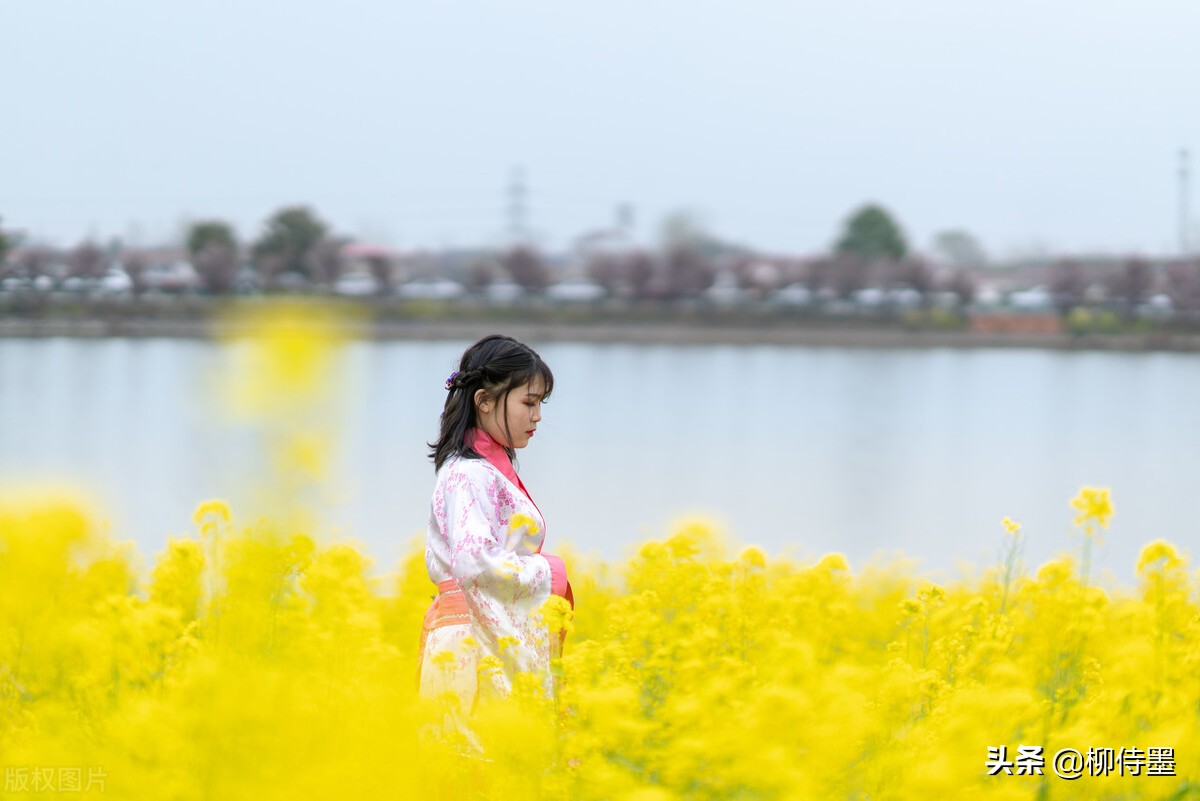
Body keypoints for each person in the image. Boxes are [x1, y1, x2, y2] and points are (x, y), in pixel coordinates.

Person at [418, 334, 574, 736]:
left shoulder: (479, 470)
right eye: (528, 402)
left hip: (481, 636)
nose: (537, 416)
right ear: (484, 401)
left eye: (540, 403)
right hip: (472, 645)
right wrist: (550, 573)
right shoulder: (468, 473)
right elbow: (475, 562)